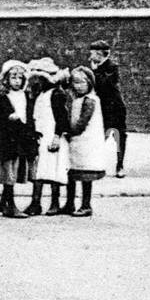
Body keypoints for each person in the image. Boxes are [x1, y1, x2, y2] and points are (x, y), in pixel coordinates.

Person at [0, 60, 39, 219]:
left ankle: (3, 201)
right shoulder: (2, 97)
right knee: (8, 171)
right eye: (13, 78)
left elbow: (29, 115)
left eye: (20, 78)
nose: (17, 81)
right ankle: (10, 205)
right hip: (6, 140)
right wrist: (7, 117)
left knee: (16, 170)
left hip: (21, 140)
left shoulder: (25, 96)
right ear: (6, 80)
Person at [23, 57, 71, 216]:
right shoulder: (39, 94)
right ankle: (35, 202)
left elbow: (62, 117)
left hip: (52, 136)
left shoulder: (56, 94)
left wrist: (57, 136)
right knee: (39, 171)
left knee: (53, 170)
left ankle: (55, 202)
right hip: (41, 136)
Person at [63, 66, 105, 217]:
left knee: (86, 175)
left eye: (82, 82)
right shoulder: (76, 99)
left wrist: (70, 132)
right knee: (72, 173)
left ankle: (86, 205)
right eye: (75, 82)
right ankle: (69, 203)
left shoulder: (90, 100)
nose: (78, 86)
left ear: (89, 83)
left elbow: (82, 122)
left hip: (86, 142)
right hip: (75, 142)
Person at [89, 40, 128, 179]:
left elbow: (105, 84)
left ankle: (120, 165)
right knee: (99, 136)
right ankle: (96, 166)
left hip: (115, 107)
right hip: (102, 107)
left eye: (92, 53)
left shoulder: (112, 67)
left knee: (119, 136)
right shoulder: (95, 67)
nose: (90, 56)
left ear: (99, 54)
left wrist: (95, 70)